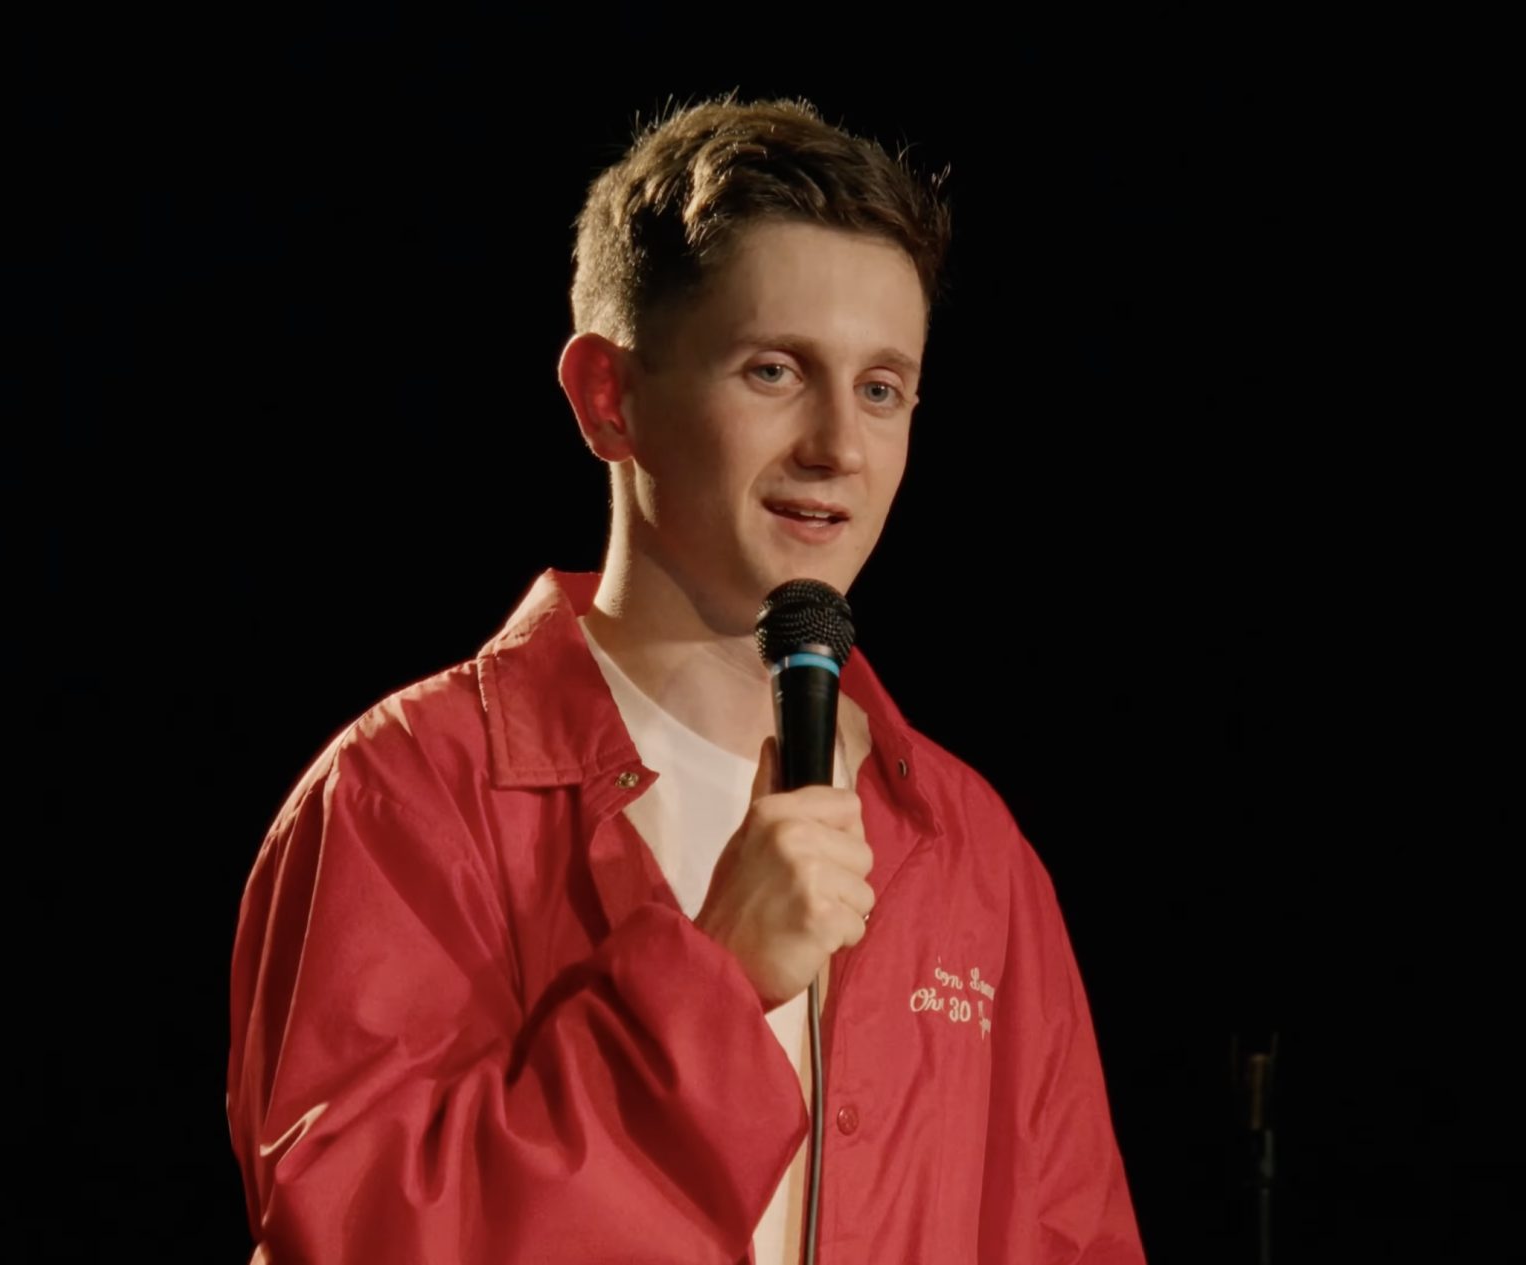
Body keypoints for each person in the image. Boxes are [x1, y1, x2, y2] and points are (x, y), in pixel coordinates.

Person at [227, 94, 1146, 1264]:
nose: (838, 446)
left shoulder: (973, 852)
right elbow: (366, 1238)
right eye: (774, 370)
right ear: (608, 397)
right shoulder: (409, 794)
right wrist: (712, 980)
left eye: (881, 388)